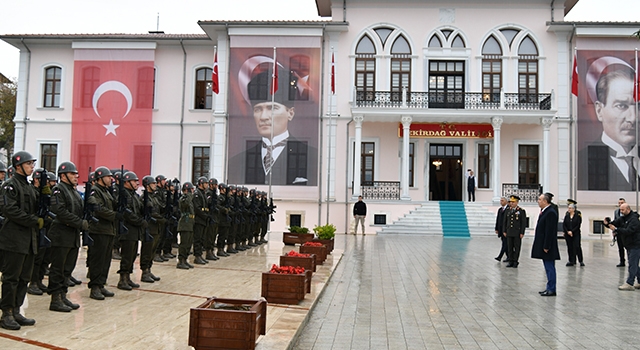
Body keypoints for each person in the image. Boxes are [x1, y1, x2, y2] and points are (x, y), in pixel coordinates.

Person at [228, 59, 317, 186]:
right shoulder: (237, 161)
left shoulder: (311, 157)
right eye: (258, 109)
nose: (263, 117)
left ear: (290, 113)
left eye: (272, 108)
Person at [580, 60, 638, 191]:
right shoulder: (582, 160)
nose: (633, 118)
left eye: (639, 106)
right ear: (599, 110)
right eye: (621, 106)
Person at [0, 151, 39, 330]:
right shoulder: (10, 185)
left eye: (32, 163)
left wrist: (44, 193)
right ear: (18, 166)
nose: (32, 166)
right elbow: (10, 210)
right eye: (29, 163)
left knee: (24, 278)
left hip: (29, 239)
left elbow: (37, 208)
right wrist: (34, 221)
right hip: (13, 239)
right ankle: (6, 313)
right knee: (11, 278)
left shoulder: (30, 186)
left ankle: (16, 310)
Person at [46, 162, 85, 312]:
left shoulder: (74, 191)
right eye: (72, 174)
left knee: (68, 268)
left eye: (76, 174)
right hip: (61, 235)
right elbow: (60, 211)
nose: (76, 176)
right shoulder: (58, 190)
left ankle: (63, 295)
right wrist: (80, 223)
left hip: (72, 235)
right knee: (58, 268)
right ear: (63, 176)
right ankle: (55, 299)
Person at [86, 166, 117, 301]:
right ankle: (95, 287)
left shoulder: (106, 191)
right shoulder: (95, 191)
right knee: (97, 259)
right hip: (98, 230)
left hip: (108, 230)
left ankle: (101, 283)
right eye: (108, 177)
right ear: (100, 178)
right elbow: (98, 209)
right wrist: (114, 215)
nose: (111, 179)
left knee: (106, 260)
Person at [117, 171, 145, 291]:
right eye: (134, 181)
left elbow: (139, 209)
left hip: (135, 230)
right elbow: (127, 213)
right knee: (127, 255)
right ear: (127, 182)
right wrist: (139, 221)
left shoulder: (134, 195)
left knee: (133, 254)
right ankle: (122, 278)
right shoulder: (124, 195)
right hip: (128, 229)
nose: (136, 183)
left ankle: (128, 277)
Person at [605, 203, 640, 290]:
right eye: (620, 210)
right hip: (628, 245)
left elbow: (629, 231)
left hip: (635, 244)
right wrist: (607, 223)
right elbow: (614, 223)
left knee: (632, 264)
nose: (621, 211)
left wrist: (616, 229)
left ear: (628, 209)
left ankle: (629, 283)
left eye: (622, 210)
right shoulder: (623, 218)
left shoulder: (634, 219)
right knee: (634, 264)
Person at [532, 193, 560, 296]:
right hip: (544, 244)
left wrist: (546, 246)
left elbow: (549, 231)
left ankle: (552, 289)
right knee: (547, 268)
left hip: (548, 246)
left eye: (540, 199)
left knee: (550, 267)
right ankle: (549, 287)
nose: (538, 201)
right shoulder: (545, 211)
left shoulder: (550, 212)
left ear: (545, 201)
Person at [139, 176, 164, 283]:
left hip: (156, 228)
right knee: (147, 250)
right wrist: (162, 219)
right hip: (149, 227)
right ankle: (144, 271)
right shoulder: (144, 197)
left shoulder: (154, 197)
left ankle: (149, 269)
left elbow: (159, 208)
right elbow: (150, 212)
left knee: (153, 250)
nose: (155, 185)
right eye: (153, 183)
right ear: (147, 185)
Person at [503, 195, 526, 268]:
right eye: (510, 202)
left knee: (516, 247)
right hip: (509, 231)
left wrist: (522, 232)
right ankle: (510, 261)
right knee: (509, 247)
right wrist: (504, 230)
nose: (511, 203)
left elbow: (523, 223)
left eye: (513, 202)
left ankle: (515, 261)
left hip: (517, 232)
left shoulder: (521, 211)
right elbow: (505, 221)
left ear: (517, 202)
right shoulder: (508, 210)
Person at [177, 182, 195, 269]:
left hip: (190, 223)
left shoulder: (190, 199)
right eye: (190, 190)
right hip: (184, 223)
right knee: (184, 244)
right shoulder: (183, 198)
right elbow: (185, 204)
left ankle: (185, 259)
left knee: (189, 243)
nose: (192, 192)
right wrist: (188, 195)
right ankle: (181, 261)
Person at [192, 177, 209, 264]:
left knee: (202, 238)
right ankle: (197, 256)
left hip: (203, 219)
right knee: (197, 239)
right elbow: (197, 208)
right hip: (199, 219)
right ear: (200, 184)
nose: (207, 185)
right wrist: (205, 216)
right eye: (205, 183)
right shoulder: (197, 194)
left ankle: (200, 255)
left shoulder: (203, 193)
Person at [563, 199, 584, 267]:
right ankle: (571, 260)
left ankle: (580, 260)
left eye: (570, 208)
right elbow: (564, 224)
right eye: (568, 208)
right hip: (568, 234)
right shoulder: (567, 214)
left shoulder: (578, 214)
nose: (568, 209)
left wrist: (572, 231)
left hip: (576, 233)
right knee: (570, 247)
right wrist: (567, 231)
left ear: (573, 208)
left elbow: (578, 224)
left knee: (577, 246)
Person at [494, 197, 509, 262]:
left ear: (506, 201)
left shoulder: (508, 209)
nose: (501, 202)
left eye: (502, 201)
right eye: (500, 201)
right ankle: (509, 257)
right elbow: (498, 219)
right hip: (501, 230)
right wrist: (496, 228)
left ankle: (500, 256)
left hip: (506, 230)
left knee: (504, 244)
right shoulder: (500, 209)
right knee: (505, 244)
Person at [614, 198, 627, 267]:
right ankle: (622, 261)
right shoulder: (616, 212)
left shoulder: (628, 212)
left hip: (626, 232)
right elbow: (615, 221)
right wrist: (614, 231)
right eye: (619, 203)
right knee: (620, 248)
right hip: (619, 232)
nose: (620, 204)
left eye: (622, 202)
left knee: (628, 247)